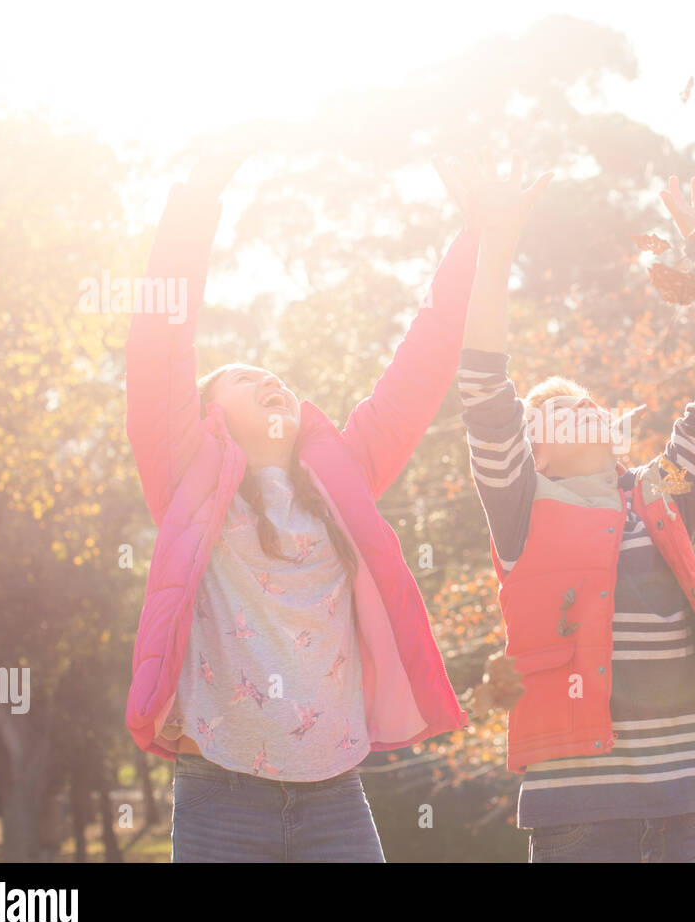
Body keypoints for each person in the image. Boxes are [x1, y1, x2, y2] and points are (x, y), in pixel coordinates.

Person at [124, 128, 522, 861]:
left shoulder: (347, 475)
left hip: (336, 791)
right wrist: (198, 199)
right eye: (243, 377)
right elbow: (159, 347)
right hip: (219, 791)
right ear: (212, 415)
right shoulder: (190, 482)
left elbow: (427, 352)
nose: (267, 378)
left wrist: (476, 236)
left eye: (274, 374)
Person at [452, 161, 695, 863]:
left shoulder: (659, 497)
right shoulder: (521, 506)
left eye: (588, 402)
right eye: (556, 410)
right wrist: (496, 249)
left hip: (686, 803)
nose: (583, 408)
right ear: (536, 452)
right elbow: (483, 385)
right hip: (580, 811)